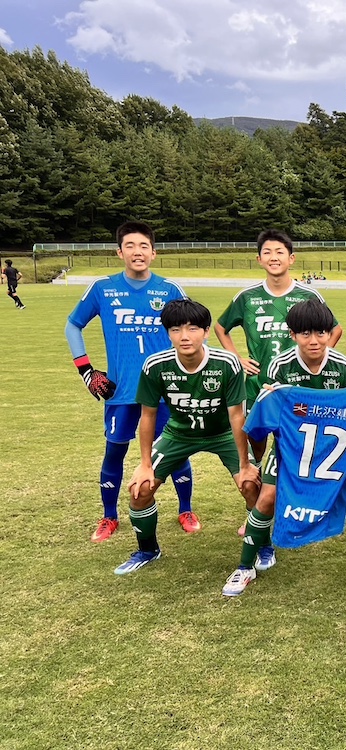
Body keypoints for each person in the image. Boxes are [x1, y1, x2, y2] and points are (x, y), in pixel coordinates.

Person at [221, 299, 346, 596]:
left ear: (330, 333)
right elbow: (271, 413)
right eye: (305, 334)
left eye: (320, 333)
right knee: (267, 497)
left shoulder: (344, 367)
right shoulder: (280, 366)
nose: (314, 341)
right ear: (292, 334)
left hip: (334, 446)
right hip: (291, 446)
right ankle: (245, 566)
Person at [65, 221, 196, 543]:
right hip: (121, 391)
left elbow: (192, 328)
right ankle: (109, 517)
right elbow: (73, 325)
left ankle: (186, 510)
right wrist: (86, 370)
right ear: (119, 252)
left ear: (153, 252)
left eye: (144, 246)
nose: (137, 252)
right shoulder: (103, 288)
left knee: (176, 452)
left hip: (165, 391)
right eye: (130, 246)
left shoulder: (169, 290)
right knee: (115, 452)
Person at [117, 299, 260, 575]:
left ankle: (262, 544)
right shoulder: (155, 365)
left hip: (223, 434)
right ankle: (148, 550)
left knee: (251, 484)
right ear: (168, 333)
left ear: (205, 332)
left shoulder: (227, 363)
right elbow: (147, 415)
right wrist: (144, 464)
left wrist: (245, 465)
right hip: (179, 434)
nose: (184, 336)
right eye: (176, 329)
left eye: (192, 328)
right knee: (140, 489)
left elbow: (236, 416)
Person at [215, 229, 331, 464]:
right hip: (257, 382)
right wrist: (237, 358)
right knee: (256, 439)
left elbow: (334, 329)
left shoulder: (308, 295)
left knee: (295, 438)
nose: (274, 257)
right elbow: (220, 327)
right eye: (267, 252)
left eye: (280, 252)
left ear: (291, 258)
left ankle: (290, 478)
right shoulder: (247, 297)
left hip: (296, 382)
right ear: (259, 259)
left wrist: (316, 357)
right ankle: (258, 474)